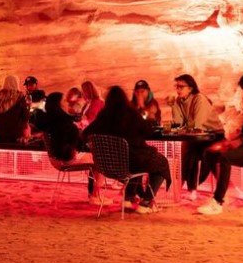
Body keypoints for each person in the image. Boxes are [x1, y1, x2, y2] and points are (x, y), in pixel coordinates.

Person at [83, 86, 171, 214]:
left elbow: (86, 133)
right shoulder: (131, 113)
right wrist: (149, 117)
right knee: (161, 162)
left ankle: (129, 198)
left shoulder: (103, 116)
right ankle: (146, 202)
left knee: (137, 161)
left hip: (109, 164)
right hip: (132, 160)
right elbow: (147, 130)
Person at [197, 73, 243, 215]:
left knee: (225, 158)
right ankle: (229, 188)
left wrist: (229, 143)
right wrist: (227, 143)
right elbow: (242, 131)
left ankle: (217, 202)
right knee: (210, 152)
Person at [41, 92, 104, 204]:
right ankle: (95, 196)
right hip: (67, 159)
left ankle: (92, 194)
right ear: (59, 104)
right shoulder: (64, 122)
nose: (67, 103)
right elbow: (78, 143)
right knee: (99, 160)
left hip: (55, 159)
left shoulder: (48, 120)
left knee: (93, 158)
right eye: (64, 101)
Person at [171, 74, 222, 201]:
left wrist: (182, 128)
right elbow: (178, 124)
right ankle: (189, 188)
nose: (178, 89)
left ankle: (192, 189)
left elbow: (198, 124)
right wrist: (173, 106)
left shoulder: (199, 99)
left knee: (197, 153)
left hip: (214, 134)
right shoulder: (179, 101)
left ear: (190, 88)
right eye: (177, 86)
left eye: (181, 87)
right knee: (186, 152)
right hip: (197, 136)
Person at [0, 75, 30, 143]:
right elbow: (25, 116)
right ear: (16, 83)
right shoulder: (19, 96)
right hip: (16, 133)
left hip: (0, 131)